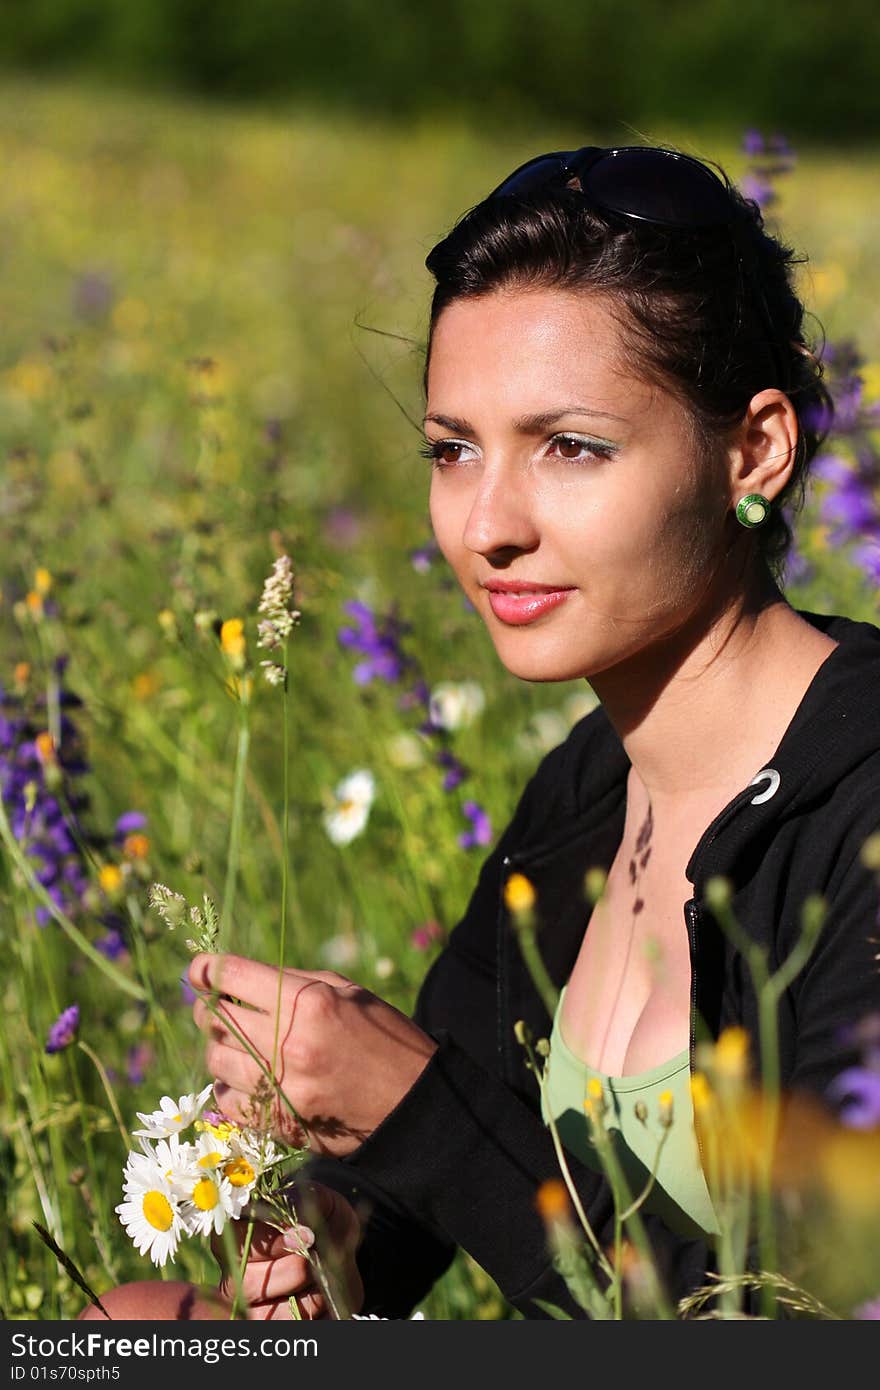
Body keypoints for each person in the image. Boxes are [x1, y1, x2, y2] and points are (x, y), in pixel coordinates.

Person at [83, 143, 880, 1322]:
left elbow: (807, 1325)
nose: (486, 525)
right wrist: (325, 1230)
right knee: (137, 1329)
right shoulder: (586, 791)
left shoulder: (855, 820)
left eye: (570, 446)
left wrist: (421, 1114)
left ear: (752, 450)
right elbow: (424, 1202)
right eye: (453, 449)